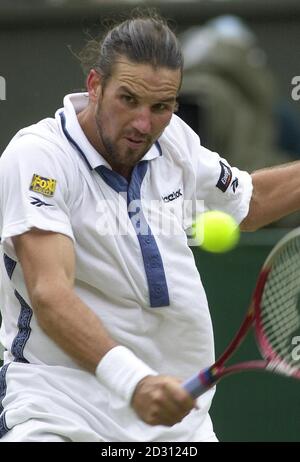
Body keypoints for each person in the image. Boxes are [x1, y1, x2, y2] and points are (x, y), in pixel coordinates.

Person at [0, 12, 300, 443]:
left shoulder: (173, 138)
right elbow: (50, 292)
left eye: (161, 106)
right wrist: (134, 381)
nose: (145, 124)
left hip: (180, 424)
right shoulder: (38, 157)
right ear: (95, 86)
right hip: (58, 409)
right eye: (129, 99)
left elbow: (249, 202)